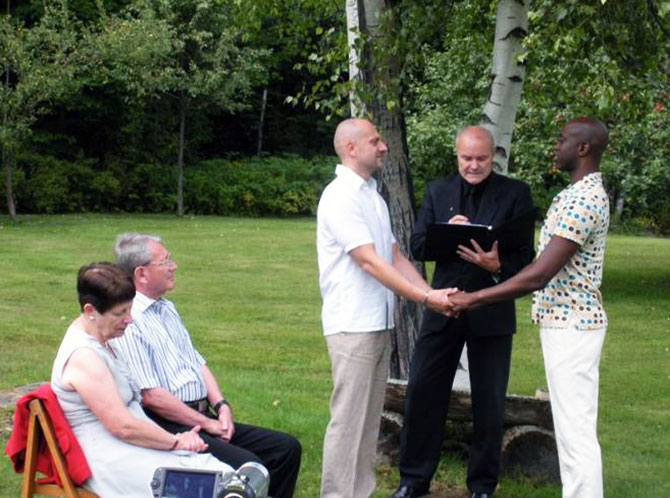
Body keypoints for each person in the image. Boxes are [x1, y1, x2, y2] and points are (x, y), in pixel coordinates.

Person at [448, 117, 610, 498]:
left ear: (583, 148)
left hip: (574, 326)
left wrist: (474, 298)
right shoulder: (574, 193)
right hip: (562, 324)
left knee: (576, 433)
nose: (556, 145)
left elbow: (538, 275)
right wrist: (497, 267)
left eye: (563, 139)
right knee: (571, 430)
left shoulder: (585, 198)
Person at [390, 126, 535, 498]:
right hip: (444, 304)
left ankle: (482, 487)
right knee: (423, 392)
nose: (473, 165)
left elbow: (526, 260)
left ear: (494, 156)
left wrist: (495, 264)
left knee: (489, 401)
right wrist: (444, 232)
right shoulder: (438, 191)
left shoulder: (516, 193)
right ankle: (412, 481)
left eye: (481, 159)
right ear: (456, 155)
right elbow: (418, 244)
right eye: (466, 158)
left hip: (492, 310)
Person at [317, 118, 454, 498]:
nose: (383, 147)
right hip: (351, 325)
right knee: (348, 421)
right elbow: (369, 262)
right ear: (351, 148)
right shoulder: (339, 196)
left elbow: (392, 255)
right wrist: (425, 299)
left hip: (376, 321)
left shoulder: (372, 196)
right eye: (375, 141)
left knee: (367, 421)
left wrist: (431, 293)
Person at [111, 233, 301, 498]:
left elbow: (197, 361)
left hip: (201, 416)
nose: (173, 266)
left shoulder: (166, 308)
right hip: (169, 424)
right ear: (141, 274)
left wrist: (222, 407)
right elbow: (152, 396)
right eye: (165, 261)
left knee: (285, 449)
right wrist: (207, 424)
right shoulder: (131, 321)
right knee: (248, 466)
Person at [51, 262, 234, 498]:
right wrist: (176, 441)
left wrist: (176, 441)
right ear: (90, 311)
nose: (130, 319)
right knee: (206, 485)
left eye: (129, 309)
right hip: (107, 455)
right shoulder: (83, 356)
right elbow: (122, 427)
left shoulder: (105, 337)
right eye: (120, 313)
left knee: (224, 477)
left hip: (131, 441)